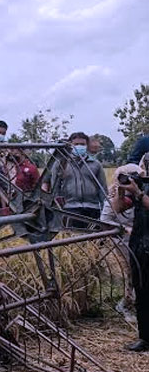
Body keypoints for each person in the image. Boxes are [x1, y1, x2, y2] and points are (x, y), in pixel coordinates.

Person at [110, 163, 149, 351]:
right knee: (141, 291)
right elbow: (116, 209)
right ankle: (145, 338)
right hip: (140, 244)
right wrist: (121, 191)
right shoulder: (140, 186)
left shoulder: (141, 191)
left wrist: (139, 194)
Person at [101, 163, 142, 324]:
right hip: (122, 240)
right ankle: (126, 304)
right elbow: (105, 221)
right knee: (132, 272)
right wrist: (124, 228)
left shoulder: (141, 195)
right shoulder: (114, 197)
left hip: (140, 239)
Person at [43, 132, 107, 229]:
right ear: (70, 145)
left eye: (82, 144)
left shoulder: (95, 164)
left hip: (93, 207)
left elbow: (103, 189)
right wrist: (58, 208)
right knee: (73, 239)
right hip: (70, 208)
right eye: (76, 144)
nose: (79, 147)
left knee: (94, 239)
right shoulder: (61, 163)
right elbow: (55, 188)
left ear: (87, 146)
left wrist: (105, 211)